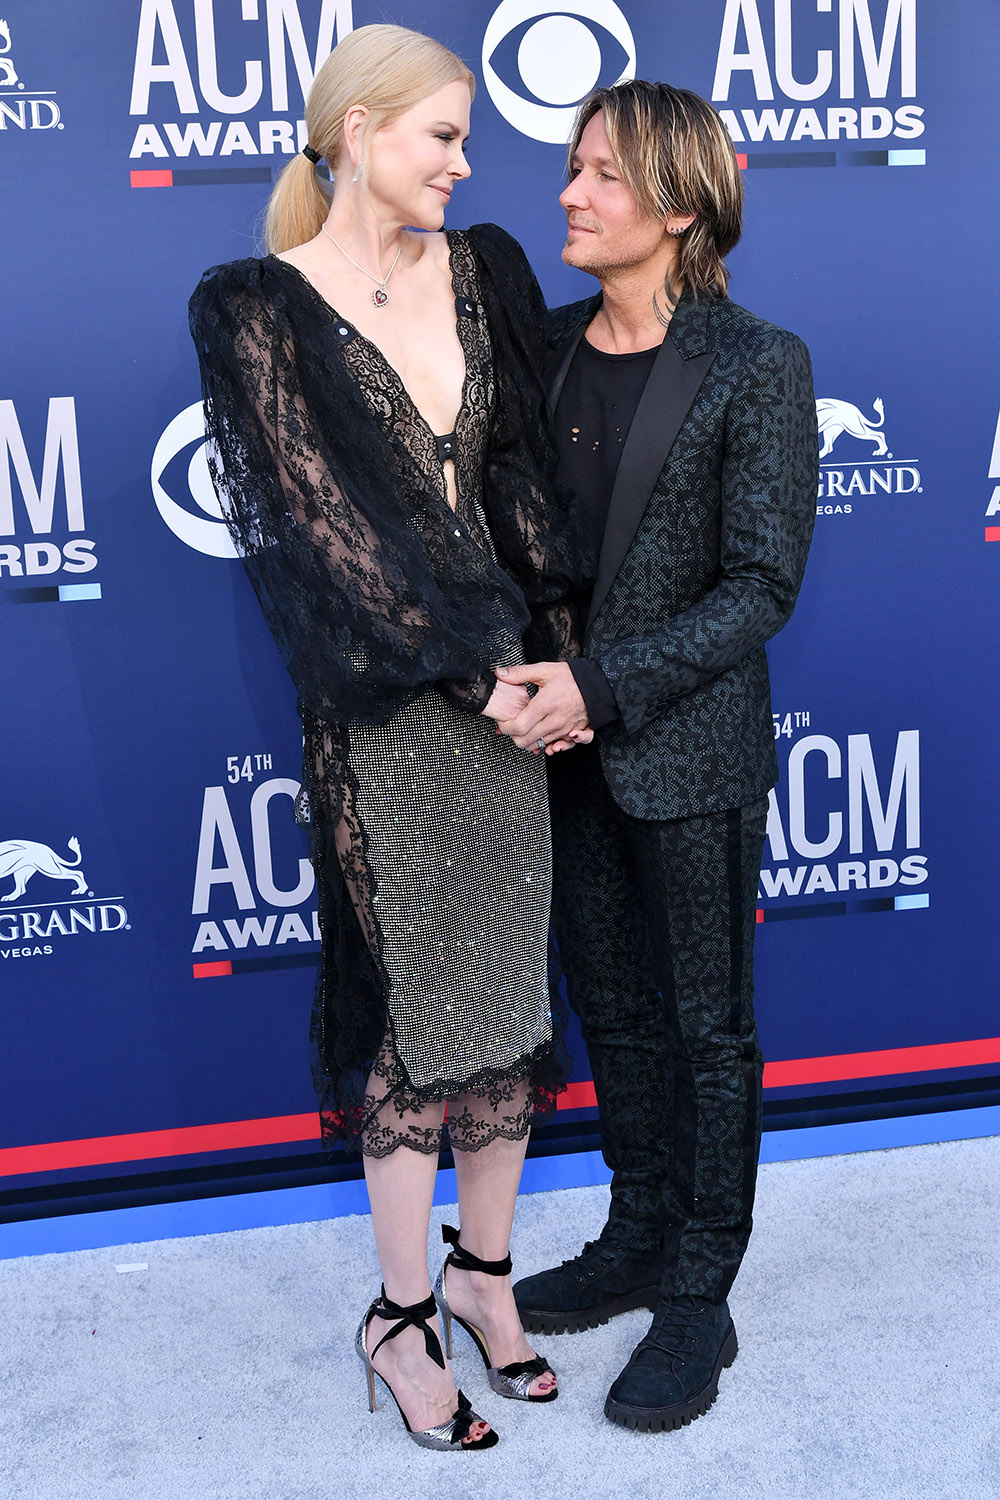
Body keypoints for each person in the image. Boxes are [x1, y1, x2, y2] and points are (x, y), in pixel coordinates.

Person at [189, 24, 587, 1451]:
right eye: (441, 137)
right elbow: (320, 535)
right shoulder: (250, 304)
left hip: (517, 699)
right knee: (418, 1024)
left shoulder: (485, 267)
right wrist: (473, 674)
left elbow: (525, 489)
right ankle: (401, 1316)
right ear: (357, 132)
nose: (467, 164)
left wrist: (557, 665)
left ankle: (489, 1283)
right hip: (383, 712)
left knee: (508, 1008)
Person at [500, 81, 818, 1431]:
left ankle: (699, 1287)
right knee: (614, 1012)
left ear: (678, 209)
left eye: (602, 178)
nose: (570, 194)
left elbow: (758, 586)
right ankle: (636, 1231)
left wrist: (598, 689)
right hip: (560, 758)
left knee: (707, 1028)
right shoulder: (546, 351)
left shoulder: (759, 361)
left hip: (685, 751)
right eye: (572, 169)